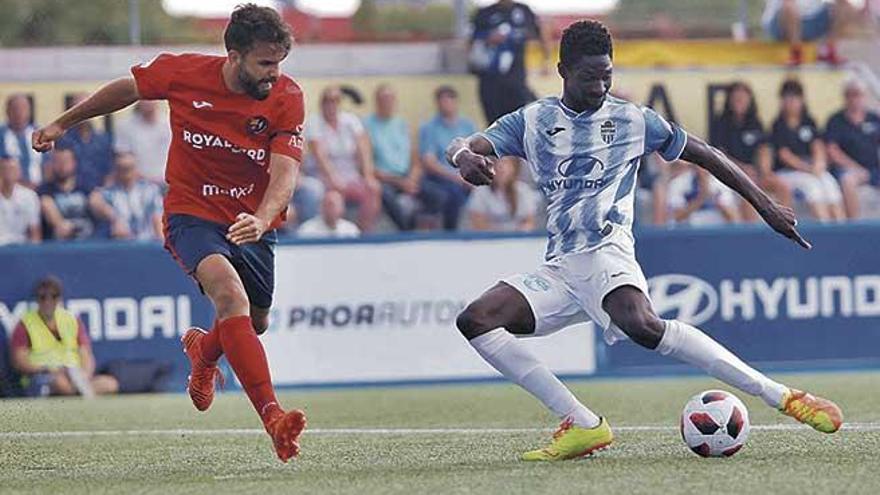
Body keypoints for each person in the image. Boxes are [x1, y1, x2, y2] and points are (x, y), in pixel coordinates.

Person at [446, 20, 842, 462]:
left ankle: (782, 397)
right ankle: (582, 424)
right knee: (476, 321)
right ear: (562, 70)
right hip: (560, 266)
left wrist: (764, 204)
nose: (599, 85)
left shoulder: (633, 120)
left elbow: (707, 154)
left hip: (608, 250)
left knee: (642, 325)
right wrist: (465, 157)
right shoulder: (532, 120)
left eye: (607, 75)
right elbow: (463, 143)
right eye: (588, 76)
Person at [32, 4, 307, 462]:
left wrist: (262, 217)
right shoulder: (184, 73)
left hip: (251, 221)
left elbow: (285, 175)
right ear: (233, 55)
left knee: (254, 322)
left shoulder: (286, 96)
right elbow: (127, 89)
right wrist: (64, 122)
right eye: (265, 64)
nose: (274, 74)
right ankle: (273, 418)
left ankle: (204, 351)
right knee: (230, 298)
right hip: (192, 214)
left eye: (279, 63)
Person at [9, 276, 118, 397]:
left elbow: (86, 355)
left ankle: (79, 390)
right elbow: (20, 361)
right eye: (43, 297)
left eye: (53, 297)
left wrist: (84, 376)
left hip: (74, 373)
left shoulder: (71, 320)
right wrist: (46, 368)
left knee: (110, 384)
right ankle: (80, 393)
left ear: (60, 298)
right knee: (60, 384)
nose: (48, 302)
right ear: (37, 300)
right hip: (42, 376)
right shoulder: (25, 324)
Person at [364, 84, 446, 231]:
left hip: (407, 177)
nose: (387, 103)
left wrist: (411, 179)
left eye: (390, 99)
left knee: (438, 196)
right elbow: (368, 166)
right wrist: (399, 182)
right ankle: (406, 232)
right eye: (383, 100)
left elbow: (416, 159)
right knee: (387, 196)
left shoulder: (402, 125)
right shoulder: (367, 126)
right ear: (376, 102)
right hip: (385, 179)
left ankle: (418, 224)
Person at [710, 81, 792, 221]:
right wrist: (741, 169)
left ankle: (786, 227)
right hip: (731, 174)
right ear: (729, 100)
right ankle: (752, 234)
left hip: (755, 173)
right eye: (736, 98)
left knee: (782, 187)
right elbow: (718, 155)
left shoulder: (755, 122)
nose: (740, 101)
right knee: (749, 189)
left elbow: (764, 148)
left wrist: (764, 170)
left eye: (743, 98)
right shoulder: (721, 124)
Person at [303, 85, 381, 231]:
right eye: (327, 101)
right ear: (322, 103)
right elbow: (320, 156)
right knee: (331, 194)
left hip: (350, 174)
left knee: (373, 188)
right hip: (323, 175)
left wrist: (368, 176)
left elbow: (364, 151)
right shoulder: (314, 122)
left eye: (335, 101)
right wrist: (333, 178)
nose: (331, 105)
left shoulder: (351, 121)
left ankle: (363, 233)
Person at [770, 79, 845, 222]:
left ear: (802, 100)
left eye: (795, 97)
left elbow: (817, 146)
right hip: (789, 172)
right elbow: (784, 155)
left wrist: (819, 164)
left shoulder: (809, 122)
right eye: (787, 97)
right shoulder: (778, 125)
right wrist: (808, 168)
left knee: (830, 183)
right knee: (813, 187)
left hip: (811, 168)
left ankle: (841, 229)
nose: (791, 102)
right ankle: (825, 229)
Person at [470, 0, 551, 124]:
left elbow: (540, 32)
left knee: (518, 121)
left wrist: (546, 61)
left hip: (516, 78)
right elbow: (471, 40)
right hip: (490, 79)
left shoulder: (524, 10)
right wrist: (488, 38)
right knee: (494, 124)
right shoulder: (485, 13)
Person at [419, 86, 477, 230]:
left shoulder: (468, 126)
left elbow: (476, 154)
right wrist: (455, 177)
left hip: (466, 176)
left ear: (456, 102)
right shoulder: (429, 128)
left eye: (448, 101)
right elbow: (429, 162)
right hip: (440, 178)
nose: (445, 105)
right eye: (442, 102)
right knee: (453, 193)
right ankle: (451, 233)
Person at [824, 77, 880, 219]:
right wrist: (856, 168)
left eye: (858, 94)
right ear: (845, 97)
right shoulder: (836, 120)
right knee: (848, 180)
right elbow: (832, 151)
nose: (854, 99)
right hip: (847, 169)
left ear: (865, 96)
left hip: (873, 168)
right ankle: (854, 223)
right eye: (850, 94)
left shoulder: (874, 119)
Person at [762, 0, 862, 66]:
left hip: (811, 21)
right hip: (781, 24)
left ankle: (829, 50)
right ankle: (796, 52)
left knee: (847, 7)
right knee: (789, 6)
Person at [89, 152, 164, 240]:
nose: (127, 173)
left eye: (129, 168)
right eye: (122, 169)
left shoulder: (150, 191)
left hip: (145, 244)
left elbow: (157, 219)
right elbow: (93, 201)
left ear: (136, 169)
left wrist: (161, 243)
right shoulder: (110, 193)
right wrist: (114, 218)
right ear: (116, 171)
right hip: (120, 246)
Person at [56, 93, 114, 190]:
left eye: (87, 109)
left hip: (100, 191)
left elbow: (111, 169)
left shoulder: (104, 139)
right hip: (73, 193)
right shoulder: (63, 140)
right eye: (78, 109)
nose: (83, 114)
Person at [37, 147, 97, 240]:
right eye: (58, 161)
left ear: (74, 163)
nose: (62, 165)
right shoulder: (45, 190)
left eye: (65, 161)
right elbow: (46, 204)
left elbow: (97, 201)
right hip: (57, 245)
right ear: (52, 164)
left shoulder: (86, 187)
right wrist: (61, 225)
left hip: (88, 242)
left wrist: (114, 219)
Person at [466, 157, 537, 231]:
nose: (500, 167)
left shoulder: (524, 191)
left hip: (518, 240)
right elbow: (478, 224)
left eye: (505, 163)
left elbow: (529, 222)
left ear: (514, 168)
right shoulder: (481, 191)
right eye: (496, 164)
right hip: (489, 240)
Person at [113, 100, 172, 184]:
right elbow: (123, 156)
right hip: (138, 184)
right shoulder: (124, 126)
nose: (148, 102)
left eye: (151, 98)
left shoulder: (170, 124)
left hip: (168, 182)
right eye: (145, 98)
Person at [666, 163, 741, 225]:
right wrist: (701, 198)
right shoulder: (678, 183)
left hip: (716, 233)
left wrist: (716, 201)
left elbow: (734, 219)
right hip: (689, 234)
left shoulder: (722, 183)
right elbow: (675, 217)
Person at [0, 94, 43, 187]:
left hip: (40, 188)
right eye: (15, 109)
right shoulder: (1, 135)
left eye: (23, 108)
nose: (19, 113)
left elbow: (49, 165)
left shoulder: (40, 133)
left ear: (30, 111)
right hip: (9, 190)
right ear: (7, 111)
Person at [0, 156, 41, 245]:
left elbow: (35, 231)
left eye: (12, 169)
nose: (8, 173)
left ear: (19, 172)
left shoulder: (29, 196)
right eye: (4, 169)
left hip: (21, 247)